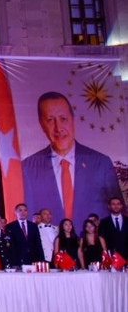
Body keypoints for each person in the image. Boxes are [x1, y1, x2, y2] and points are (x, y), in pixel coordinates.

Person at [22, 92, 121, 228]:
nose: (58, 128)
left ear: (73, 119)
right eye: (50, 120)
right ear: (41, 124)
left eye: (63, 118)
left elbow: (118, 214)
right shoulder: (29, 167)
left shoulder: (101, 163)